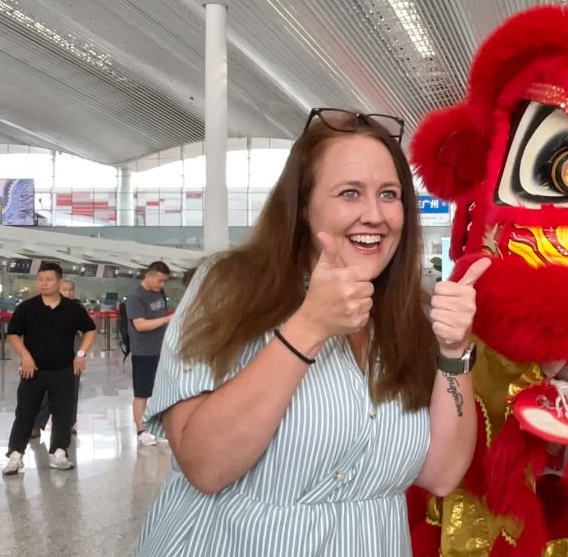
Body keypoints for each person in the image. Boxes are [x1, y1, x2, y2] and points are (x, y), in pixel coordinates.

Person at [136, 108, 487, 556]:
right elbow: (204, 465)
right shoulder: (228, 287)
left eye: (389, 194)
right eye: (349, 193)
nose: (375, 215)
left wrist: (454, 351)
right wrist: (308, 327)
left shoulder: (408, 314)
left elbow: (441, 474)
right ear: (302, 206)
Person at [2, 263, 97, 476]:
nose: (44, 283)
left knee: (62, 413)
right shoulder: (27, 308)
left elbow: (90, 330)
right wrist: (25, 356)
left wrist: (81, 354)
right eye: (41, 279)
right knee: (25, 413)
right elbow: (13, 334)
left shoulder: (73, 308)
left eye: (49, 279)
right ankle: (15, 455)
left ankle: (59, 452)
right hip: (33, 370)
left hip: (64, 370)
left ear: (59, 281)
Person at [126, 261, 174, 447]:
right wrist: (166, 320)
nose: (162, 285)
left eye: (165, 281)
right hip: (144, 351)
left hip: (161, 349)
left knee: (161, 390)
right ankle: (141, 429)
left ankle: (158, 426)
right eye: (160, 280)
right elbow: (140, 325)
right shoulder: (136, 296)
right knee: (142, 392)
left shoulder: (158, 293)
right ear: (149, 275)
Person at [32, 278, 81, 437]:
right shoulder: (46, 307)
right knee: (46, 392)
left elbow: (88, 331)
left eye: (71, 290)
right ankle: (37, 424)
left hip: (72, 357)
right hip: (48, 358)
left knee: (71, 392)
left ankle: (68, 424)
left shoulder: (77, 309)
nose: (68, 293)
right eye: (65, 290)